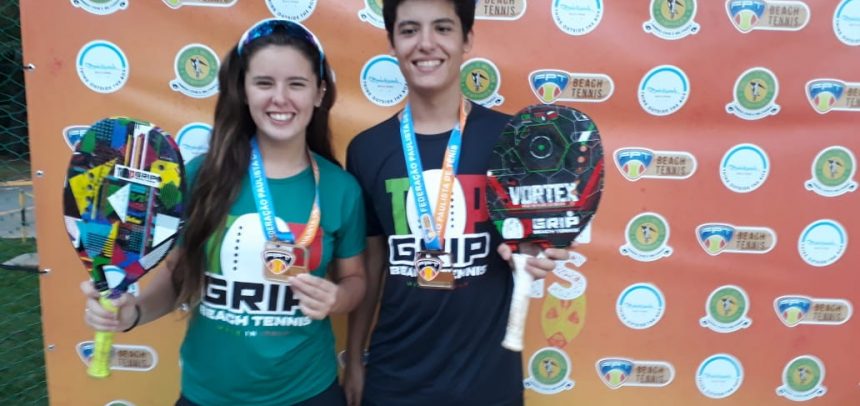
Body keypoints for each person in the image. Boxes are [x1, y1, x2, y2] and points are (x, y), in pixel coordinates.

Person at [81, 18, 367, 406]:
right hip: (209, 395)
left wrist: (337, 299)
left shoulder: (340, 188)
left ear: (319, 93)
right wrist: (133, 313)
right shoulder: (203, 175)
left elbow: (355, 279)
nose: (280, 98)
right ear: (243, 91)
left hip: (308, 392)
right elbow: (178, 277)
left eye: (296, 84)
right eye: (264, 83)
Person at [343, 1, 569, 405]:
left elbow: (532, 242)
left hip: (488, 384)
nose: (426, 43)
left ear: (467, 40)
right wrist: (356, 357)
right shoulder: (367, 149)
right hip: (394, 382)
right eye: (409, 30)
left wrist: (537, 253)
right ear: (392, 43)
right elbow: (372, 264)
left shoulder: (512, 140)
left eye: (443, 28)